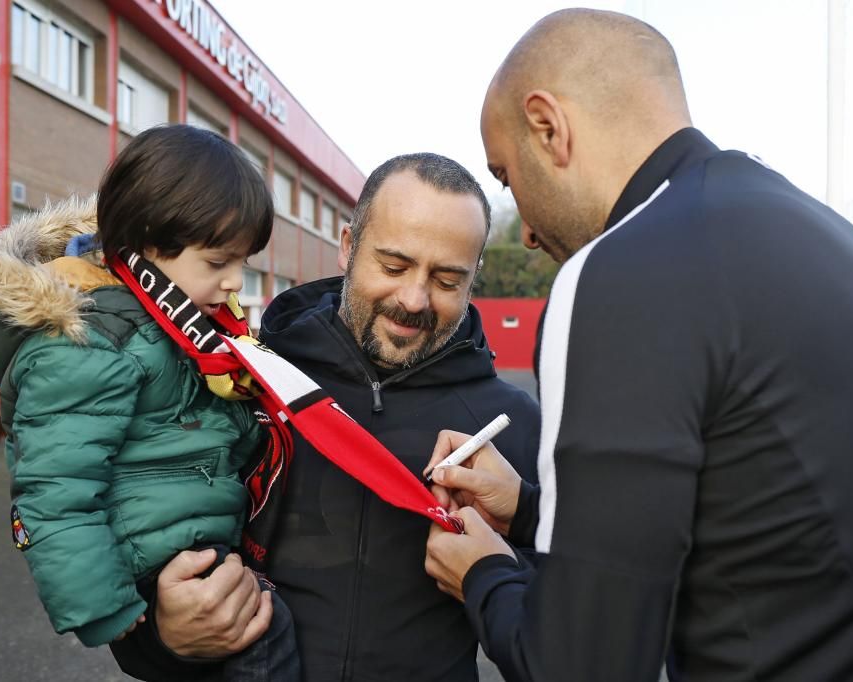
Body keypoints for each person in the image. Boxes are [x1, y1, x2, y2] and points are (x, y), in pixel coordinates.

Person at [423, 8, 853, 682]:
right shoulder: (828, 236)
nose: (528, 235)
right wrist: (533, 509)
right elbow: (750, 528)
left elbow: (581, 664)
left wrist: (483, 574)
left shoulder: (616, 274)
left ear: (548, 126)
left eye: (507, 178)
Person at [111, 153, 542, 681]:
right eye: (393, 266)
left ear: (475, 276)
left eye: (447, 280)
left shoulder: (512, 423)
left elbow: (561, 633)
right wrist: (166, 634)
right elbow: (136, 546)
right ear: (347, 247)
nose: (414, 298)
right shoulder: (239, 381)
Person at [0, 125, 299, 680]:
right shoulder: (91, 341)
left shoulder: (176, 323)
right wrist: (103, 606)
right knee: (266, 643)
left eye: (243, 261)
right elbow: (54, 489)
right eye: (217, 263)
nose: (235, 282)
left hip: (192, 534)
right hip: (154, 557)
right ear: (148, 243)